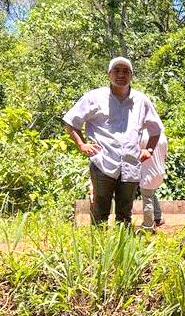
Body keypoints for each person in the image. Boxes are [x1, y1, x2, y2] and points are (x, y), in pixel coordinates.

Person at [63, 57, 164, 224]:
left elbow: (156, 129)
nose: (121, 75)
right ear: (109, 74)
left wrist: (149, 150)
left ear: (131, 75)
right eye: (116, 70)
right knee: (100, 210)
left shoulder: (141, 100)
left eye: (125, 71)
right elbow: (71, 122)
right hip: (103, 162)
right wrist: (82, 144)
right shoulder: (94, 97)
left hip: (130, 164)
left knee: (125, 214)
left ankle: (122, 248)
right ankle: (99, 247)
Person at [139, 129, 168, 231]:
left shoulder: (141, 135)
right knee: (151, 193)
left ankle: (148, 226)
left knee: (147, 198)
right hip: (160, 172)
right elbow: (165, 155)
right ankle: (158, 217)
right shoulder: (162, 135)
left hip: (148, 173)